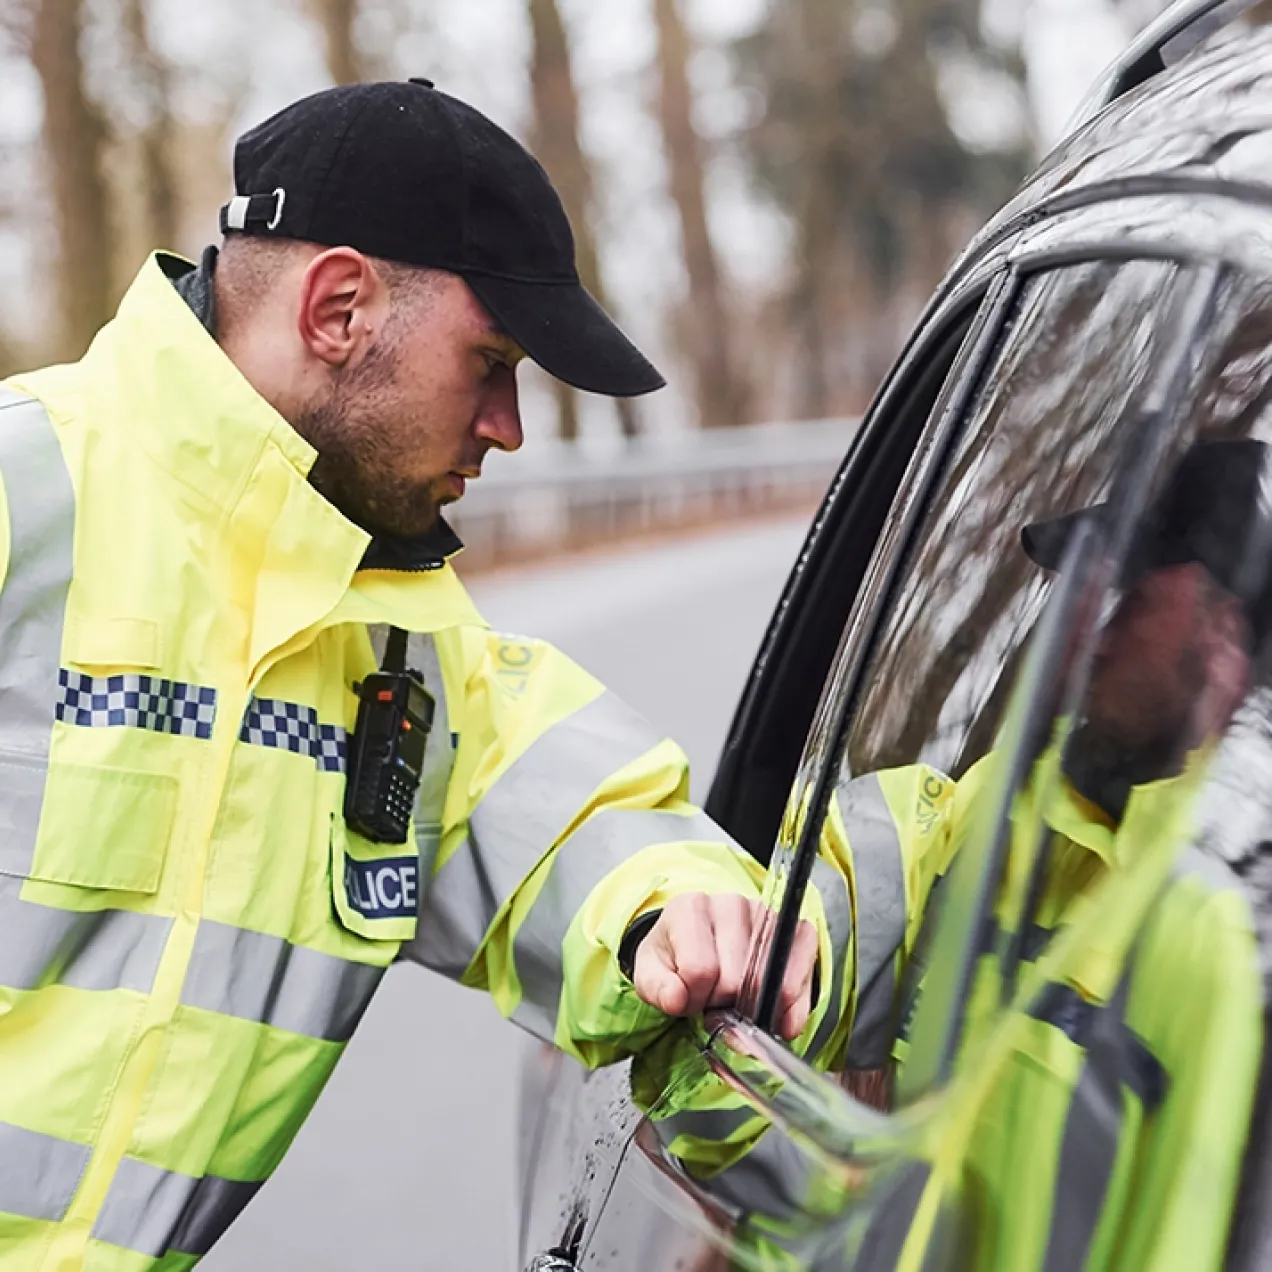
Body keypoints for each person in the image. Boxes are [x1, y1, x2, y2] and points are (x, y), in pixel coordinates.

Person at [0, 81, 830, 1268]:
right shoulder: (23, 490)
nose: (509, 426)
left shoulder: (408, 654)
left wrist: (682, 906)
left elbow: (582, 827)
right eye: (490, 361)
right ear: (339, 307)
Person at [653, 440, 1270, 1271]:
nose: (1089, 616)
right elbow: (779, 937)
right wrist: (706, 931)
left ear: (1225, 637)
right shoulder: (969, 827)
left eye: (1136, 588)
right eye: (1094, 578)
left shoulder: (1210, 936)